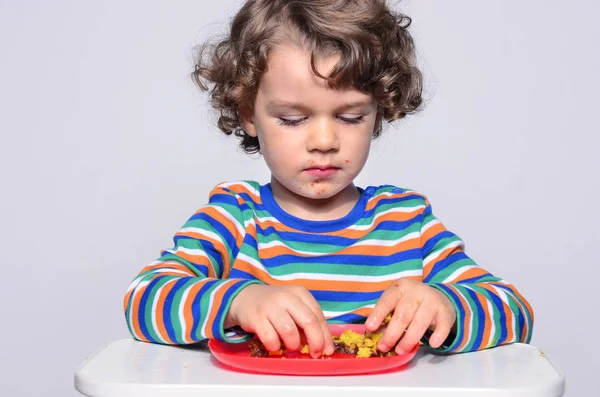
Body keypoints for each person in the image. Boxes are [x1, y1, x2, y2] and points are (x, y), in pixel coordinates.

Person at [123, 0, 534, 359]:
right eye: (293, 118)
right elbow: (144, 300)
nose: (324, 141)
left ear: (378, 112)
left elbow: (514, 311)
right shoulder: (235, 217)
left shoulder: (405, 222)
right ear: (249, 114)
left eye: (351, 116)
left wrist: (448, 304)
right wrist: (237, 300)